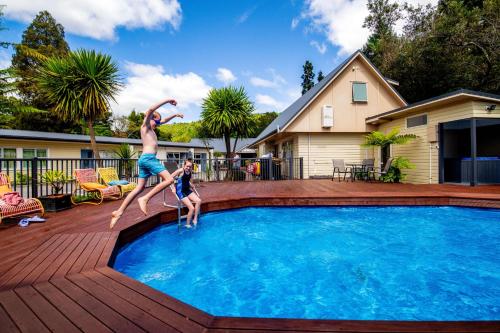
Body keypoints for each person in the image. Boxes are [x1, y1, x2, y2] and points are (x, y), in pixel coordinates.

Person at [110, 98, 183, 228]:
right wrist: (168, 100)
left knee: (139, 188)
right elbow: (150, 110)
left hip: (145, 159)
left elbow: (164, 120)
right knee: (169, 180)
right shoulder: (145, 127)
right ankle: (145, 198)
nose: (159, 122)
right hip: (149, 159)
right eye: (157, 120)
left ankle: (119, 212)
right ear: (150, 119)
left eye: (159, 121)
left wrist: (175, 115)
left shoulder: (153, 130)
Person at [171, 159, 202, 228]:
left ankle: (195, 219)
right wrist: (173, 187)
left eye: (190, 167)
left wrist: (191, 184)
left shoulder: (190, 172)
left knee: (198, 201)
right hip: (180, 191)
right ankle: (187, 224)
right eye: (187, 166)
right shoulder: (180, 171)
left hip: (187, 190)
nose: (188, 168)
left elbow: (186, 180)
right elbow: (170, 177)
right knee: (191, 208)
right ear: (184, 165)